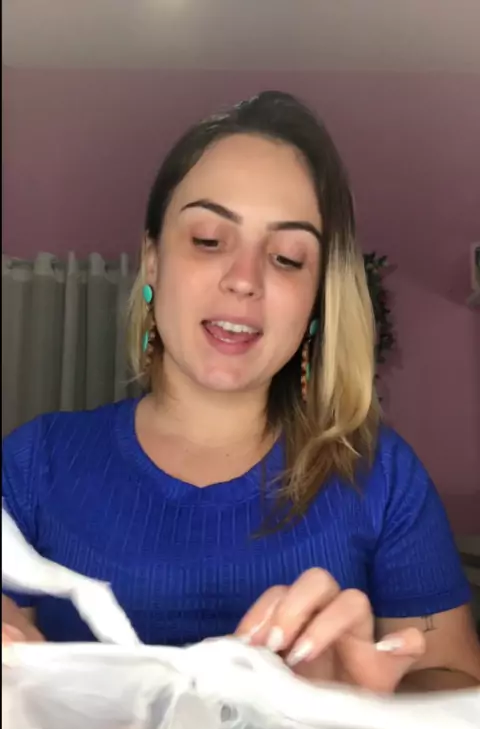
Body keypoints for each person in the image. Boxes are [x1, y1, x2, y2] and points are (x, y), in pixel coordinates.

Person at [2, 91, 479, 694]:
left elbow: (459, 684)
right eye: (208, 239)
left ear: (316, 301)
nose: (245, 280)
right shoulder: (33, 464)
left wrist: (361, 701)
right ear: (152, 261)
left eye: (287, 257)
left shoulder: (382, 476)